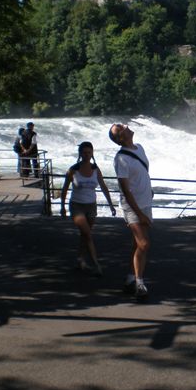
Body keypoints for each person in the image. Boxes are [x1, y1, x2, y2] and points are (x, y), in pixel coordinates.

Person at [109, 122, 153, 301]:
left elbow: (143, 172)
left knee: (137, 244)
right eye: (120, 127)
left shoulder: (139, 148)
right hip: (131, 206)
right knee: (144, 244)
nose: (125, 126)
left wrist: (149, 190)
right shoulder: (120, 159)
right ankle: (139, 284)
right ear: (120, 137)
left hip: (146, 202)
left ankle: (130, 278)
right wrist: (139, 214)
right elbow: (125, 190)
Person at [61, 141, 116, 276]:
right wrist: (62, 206)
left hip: (91, 205)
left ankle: (80, 259)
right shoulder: (73, 170)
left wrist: (111, 205)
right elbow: (65, 189)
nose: (87, 155)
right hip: (76, 205)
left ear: (92, 154)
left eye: (89, 152)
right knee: (88, 234)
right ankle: (96, 264)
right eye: (84, 152)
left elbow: (103, 187)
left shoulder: (96, 169)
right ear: (80, 154)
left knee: (85, 234)